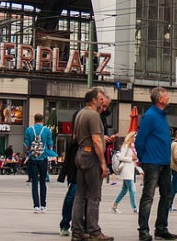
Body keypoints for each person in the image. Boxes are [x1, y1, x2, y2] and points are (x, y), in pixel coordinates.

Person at [71, 87, 114, 241]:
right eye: (100, 98)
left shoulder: (80, 114)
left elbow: (76, 137)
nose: (102, 101)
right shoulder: (93, 115)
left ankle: (77, 232)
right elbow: (96, 140)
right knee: (94, 196)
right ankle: (94, 232)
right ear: (93, 100)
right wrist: (103, 163)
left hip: (81, 154)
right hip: (91, 157)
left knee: (80, 195)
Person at [136, 86, 177, 240]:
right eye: (166, 94)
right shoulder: (150, 116)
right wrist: (143, 158)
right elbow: (140, 140)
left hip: (164, 162)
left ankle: (161, 228)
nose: (168, 96)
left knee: (167, 194)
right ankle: (144, 230)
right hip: (152, 161)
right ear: (159, 99)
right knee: (148, 195)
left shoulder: (161, 115)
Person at [24, 112, 54, 213]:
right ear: (42, 120)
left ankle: (36, 205)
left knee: (34, 182)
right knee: (43, 182)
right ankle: (43, 205)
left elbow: (26, 145)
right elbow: (50, 145)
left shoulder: (29, 130)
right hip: (43, 158)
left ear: (34, 120)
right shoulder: (47, 130)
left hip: (33, 158)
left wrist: (30, 151)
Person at [112, 131, 139, 214]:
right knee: (132, 189)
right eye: (134, 137)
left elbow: (135, 159)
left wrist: (136, 161)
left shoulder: (133, 147)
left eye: (136, 137)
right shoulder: (126, 146)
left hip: (131, 169)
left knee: (124, 190)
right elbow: (121, 157)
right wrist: (131, 159)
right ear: (130, 137)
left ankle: (115, 205)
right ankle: (135, 207)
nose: (135, 139)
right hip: (126, 170)